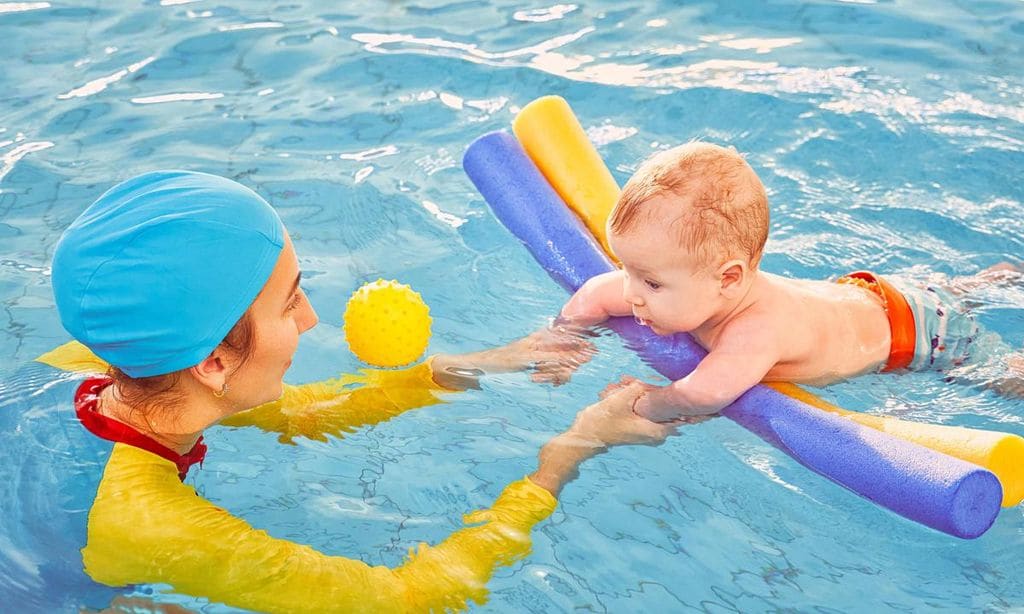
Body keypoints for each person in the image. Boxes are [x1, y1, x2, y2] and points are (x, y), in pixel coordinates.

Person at [18, 170, 673, 613]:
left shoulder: (100, 359)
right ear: (214, 362)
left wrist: (494, 361)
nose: (309, 320)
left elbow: (305, 413)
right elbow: (404, 597)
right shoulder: (148, 523)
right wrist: (572, 448)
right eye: (290, 301)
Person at [558, 141, 1024, 423]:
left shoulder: (755, 330)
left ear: (729, 279)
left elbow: (702, 396)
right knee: (954, 291)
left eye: (652, 284)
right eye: (628, 270)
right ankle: (987, 282)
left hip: (920, 335)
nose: (632, 292)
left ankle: (984, 297)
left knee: (1006, 376)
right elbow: (596, 294)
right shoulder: (682, 279)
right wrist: (563, 337)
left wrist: (645, 402)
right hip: (869, 293)